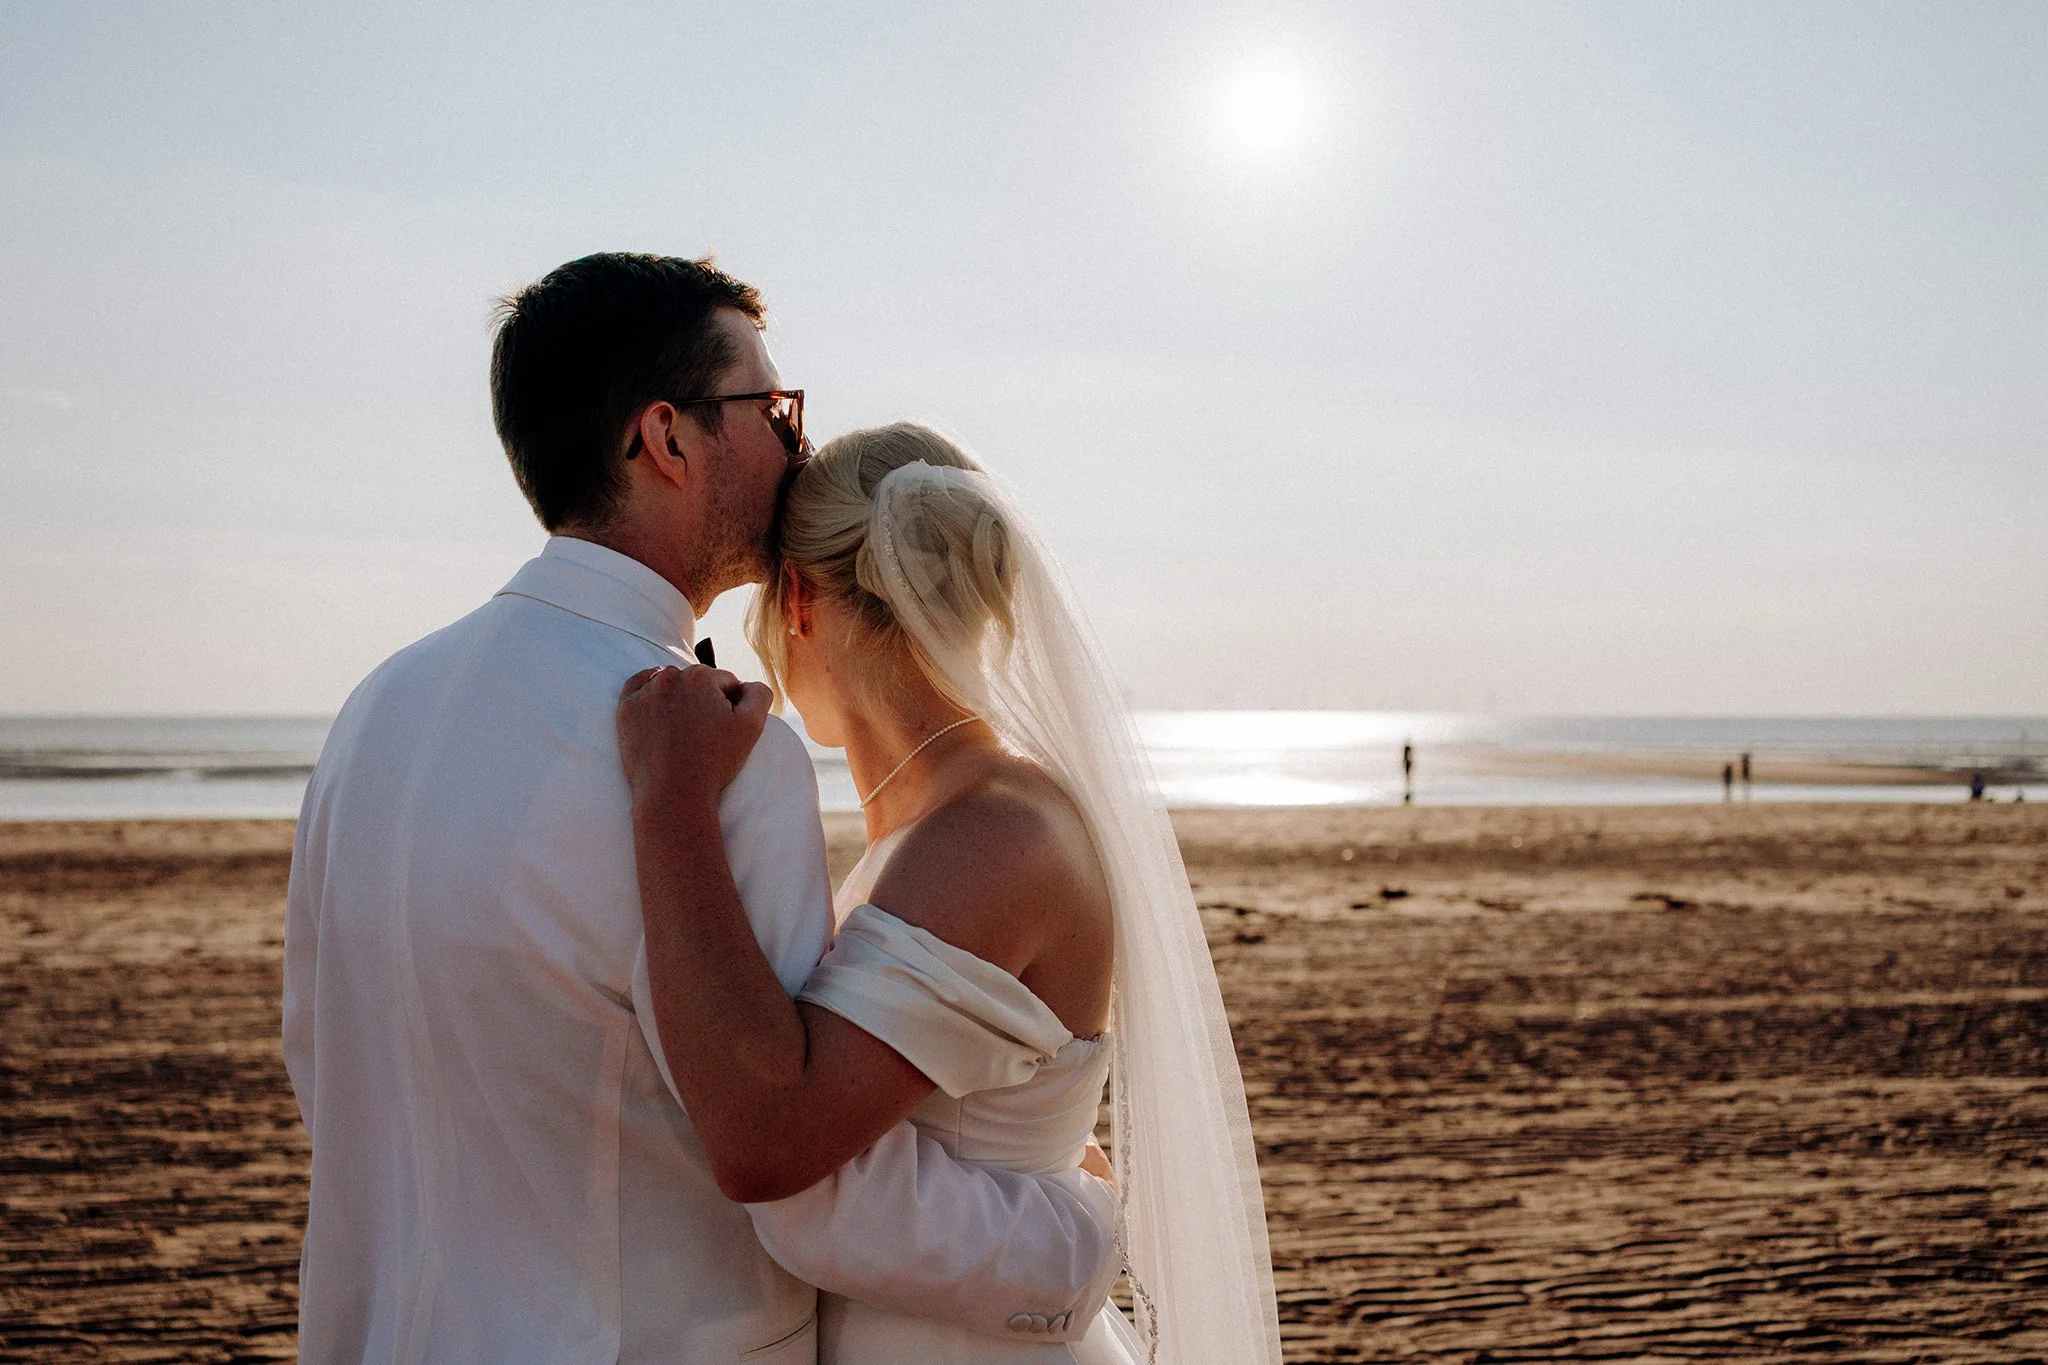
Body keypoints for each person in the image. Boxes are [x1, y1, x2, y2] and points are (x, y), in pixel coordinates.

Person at [282, 255, 1121, 1363]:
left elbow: (324, 1055)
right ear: (667, 440)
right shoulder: (727, 758)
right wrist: (1081, 1229)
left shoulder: (374, 710)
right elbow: (792, 1163)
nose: (795, 445)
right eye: (770, 409)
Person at [617, 423, 1284, 1363]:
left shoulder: (996, 833)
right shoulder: (948, 819)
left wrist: (671, 796)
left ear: (798, 597)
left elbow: (779, 1154)